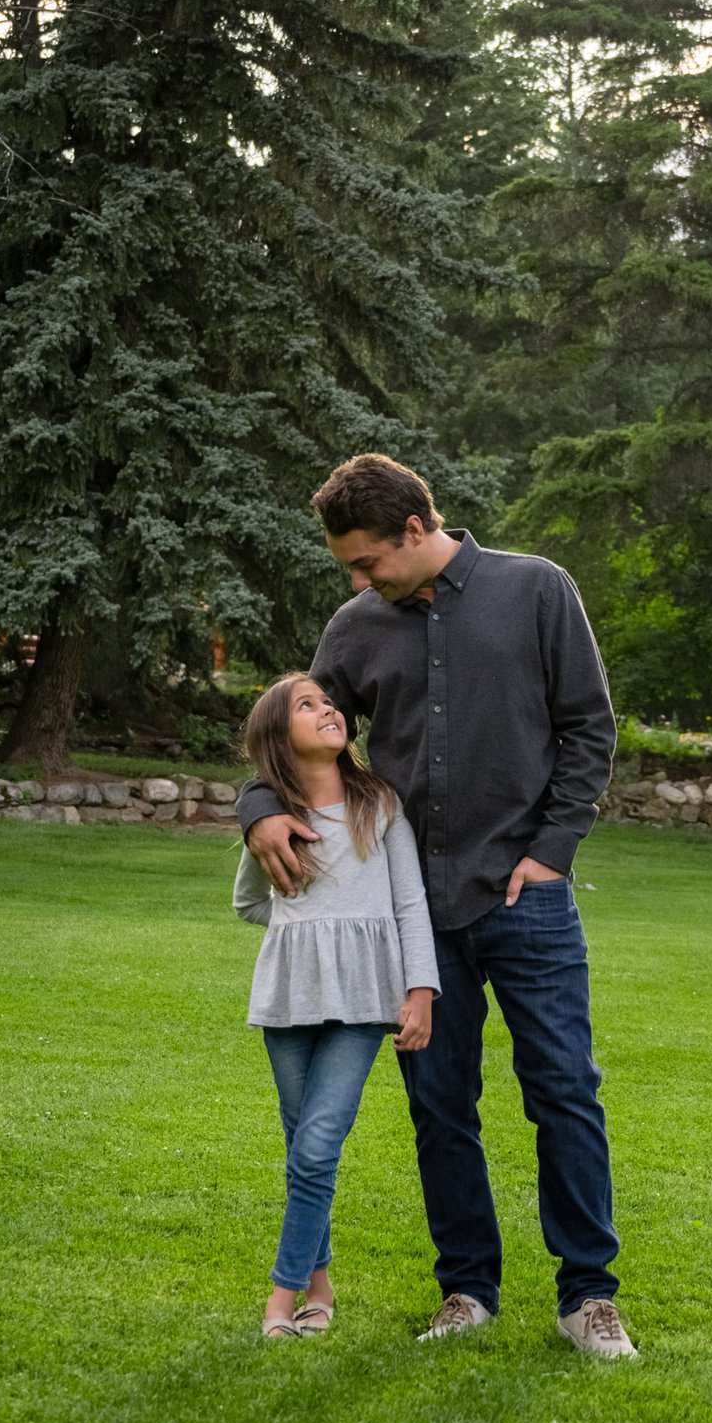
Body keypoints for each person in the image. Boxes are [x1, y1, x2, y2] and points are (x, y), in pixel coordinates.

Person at [238, 454, 636, 1359]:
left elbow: (589, 729)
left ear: (414, 531)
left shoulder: (537, 590)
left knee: (565, 1092)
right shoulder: (355, 628)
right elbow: (291, 730)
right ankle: (467, 1290)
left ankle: (588, 1298)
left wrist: (550, 854)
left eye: (365, 561)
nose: (358, 579)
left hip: (526, 897)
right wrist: (259, 807)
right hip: (412, 915)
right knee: (440, 1105)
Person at [233, 670, 438, 1340]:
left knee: (317, 1146)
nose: (327, 709)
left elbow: (410, 905)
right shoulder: (271, 823)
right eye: (306, 705)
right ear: (277, 735)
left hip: (363, 1001)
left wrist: (419, 991)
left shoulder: (378, 805)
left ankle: (279, 1299)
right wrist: (305, 934)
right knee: (303, 1147)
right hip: (289, 996)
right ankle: (321, 1287)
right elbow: (250, 903)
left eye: (329, 702)